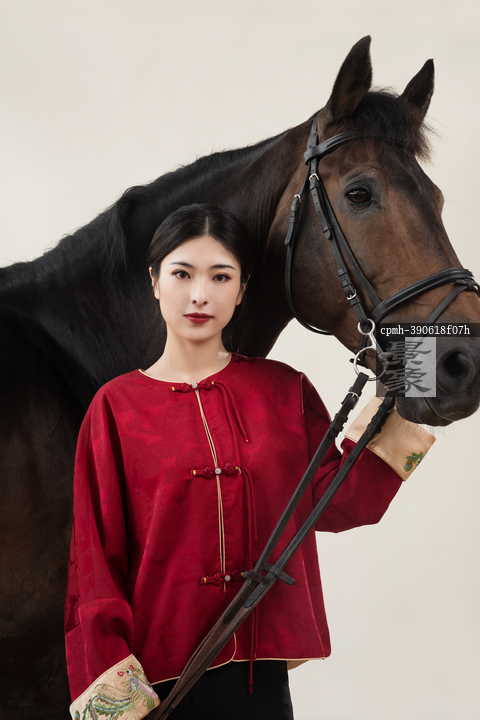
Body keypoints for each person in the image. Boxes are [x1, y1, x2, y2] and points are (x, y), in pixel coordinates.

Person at [64, 204, 435, 720]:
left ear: (241, 289)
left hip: (260, 679)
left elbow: (341, 502)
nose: (200, 294)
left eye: (221, 276)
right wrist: (116, 703)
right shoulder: (115, 407)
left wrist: (424, 364)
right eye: (182, 274)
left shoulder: (283, 389)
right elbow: (95, 562)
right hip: (158, 688)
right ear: (154, 282)